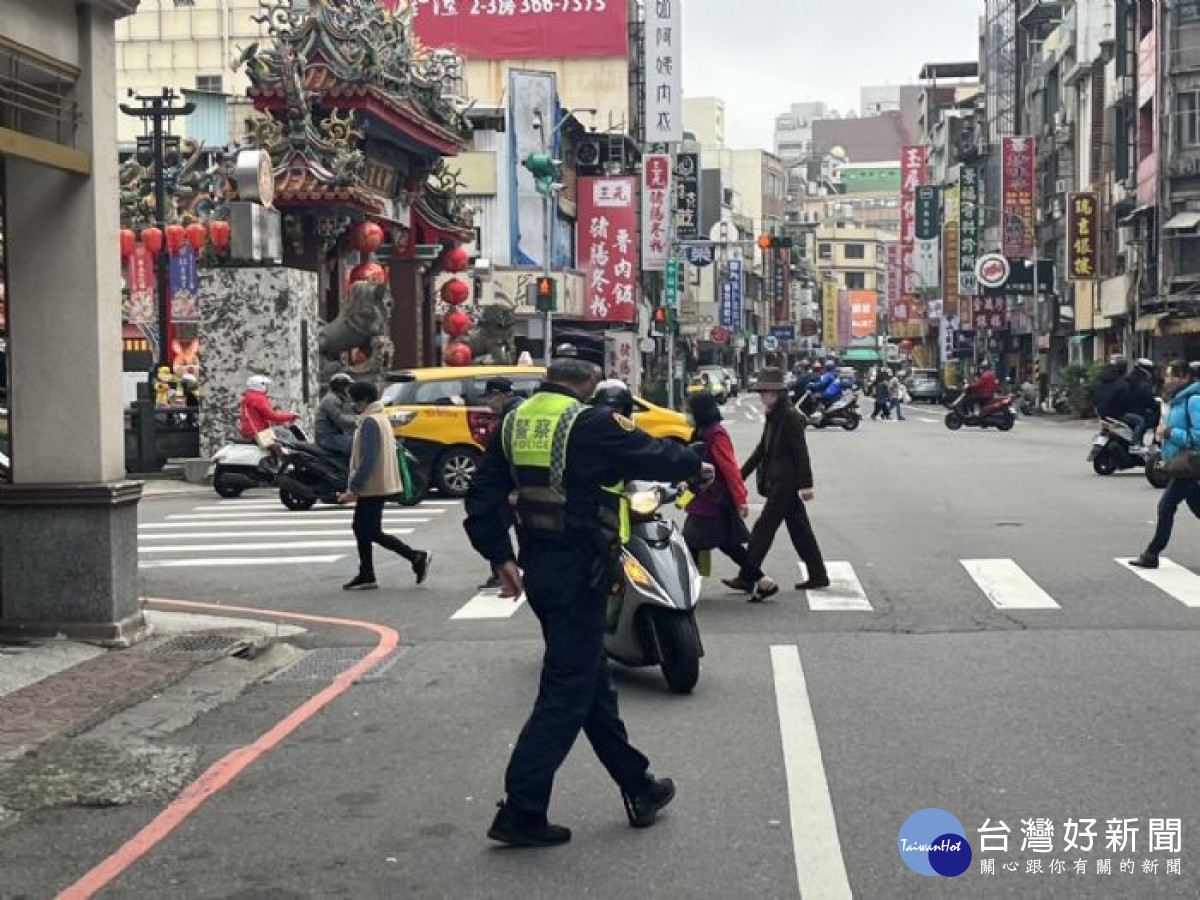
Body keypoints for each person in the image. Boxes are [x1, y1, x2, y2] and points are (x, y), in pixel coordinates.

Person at [463, 357, 711, 848]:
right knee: (566, 692)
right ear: (588, 384)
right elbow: (646, 453)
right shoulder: (589, 421)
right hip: (580, 571)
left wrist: (498, 556)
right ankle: (521, 809)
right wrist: (692, 464)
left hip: (539, 568)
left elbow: (481, 494)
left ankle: (638, 787)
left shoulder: (514, 420)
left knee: (591, 683)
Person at [728, 367, 829, 593]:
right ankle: (818, 574)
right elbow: (761, 449)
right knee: (800, 530)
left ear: (778, 393)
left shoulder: (790, 416)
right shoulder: (773, 415)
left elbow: (801, 451)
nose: (763, 396)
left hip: (786, 483)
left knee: (763, 528)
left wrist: (806, 484)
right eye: (762, 392)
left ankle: (747, 575)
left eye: (767, 392)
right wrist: (739, 476)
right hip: (777, 481)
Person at [683, 392, 779, 602]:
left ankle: (686, 588)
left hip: (712, 502)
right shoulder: (703, 431)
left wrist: (740, 499)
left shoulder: (716, 435)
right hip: (706, 500)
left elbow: (730, 469)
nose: (686, 414)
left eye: (689, 410)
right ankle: (763, 581)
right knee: (727, 544)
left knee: (691, 543)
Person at [337, 381, 432, 591]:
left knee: (369, 530)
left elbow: (369, 458)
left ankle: (415, 556)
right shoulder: (379, 417)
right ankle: (367, 573)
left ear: (363, 401)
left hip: (373, 484)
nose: (353, 406)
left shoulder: (370, 421)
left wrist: (354, 488)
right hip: (377, 483)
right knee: (363, 529)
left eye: (354, 401)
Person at [1129, 361, 1200, 569]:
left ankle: (1152, 553)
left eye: (1171, 376)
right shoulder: (1177, 401)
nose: (1166, 381)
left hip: (1190, 463)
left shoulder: (1194, 400)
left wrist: (1170, 433)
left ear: (1185, 377)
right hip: (1181, 463)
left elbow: (1197, 436)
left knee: (1166, 506)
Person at [238, 375, 299, 441]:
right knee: (286, 434)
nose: (267, 387)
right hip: (258, 432)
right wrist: (292, 416)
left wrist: (281, 422)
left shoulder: (249, 396)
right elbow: (273, 416)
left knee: (279, 433)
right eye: (266, 385)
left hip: (249, 431)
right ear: (260, 385)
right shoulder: (258, 399)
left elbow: (263, 416)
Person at [316, 372, 357, 457]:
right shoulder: (331, 400)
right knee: (356, 445)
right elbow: (341, 420)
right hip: (327, 438)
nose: (348, 389)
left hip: (335, 435)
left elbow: (350, 413)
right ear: (340, 387)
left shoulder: (338, 399)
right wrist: (359, 421)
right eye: (347, 386)